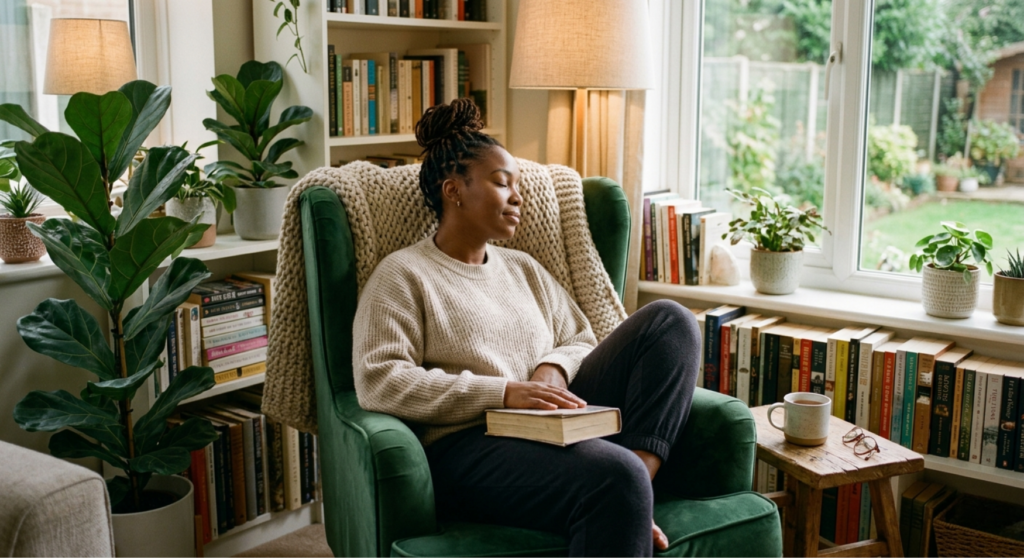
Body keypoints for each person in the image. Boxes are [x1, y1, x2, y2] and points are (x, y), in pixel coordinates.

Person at [352, 99, 701, 557]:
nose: (519, 196)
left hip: (551, 422)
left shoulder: (524, 268)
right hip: (469, 445)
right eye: (502, 183)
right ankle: (629, 488)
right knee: (615, 478)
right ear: (453, 190)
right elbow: (380, 381)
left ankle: (639, 488)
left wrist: (551, 369)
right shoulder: (403, 275)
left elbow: (580, 337)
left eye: (519, 185)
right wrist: (503, 392)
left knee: (671, 321)